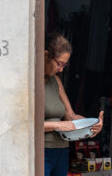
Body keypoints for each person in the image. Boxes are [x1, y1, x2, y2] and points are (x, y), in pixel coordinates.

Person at [44, 33, 103, 176]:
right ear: (46, 55)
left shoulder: (56, 81)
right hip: (42, 151)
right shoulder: (30, 82)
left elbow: (70, 116)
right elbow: (25, 124)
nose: (61, 69)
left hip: (62, 150)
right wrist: (58, 125)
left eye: (64, 65)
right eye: (59, 64)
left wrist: (92, 125)